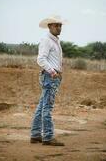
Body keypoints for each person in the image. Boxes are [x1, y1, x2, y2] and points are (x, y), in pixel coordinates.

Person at [30, 15, 66, 146]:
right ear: (49, 26)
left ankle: (35, 135)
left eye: (60, 25)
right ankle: (48, 137)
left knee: (42, 106)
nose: (59, 28)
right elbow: (41, 59)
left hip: (51, 77)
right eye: (56, 25)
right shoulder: (47, 40)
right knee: (47, 107)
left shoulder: (54, 40)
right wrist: (53, 72)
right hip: (50, 77)